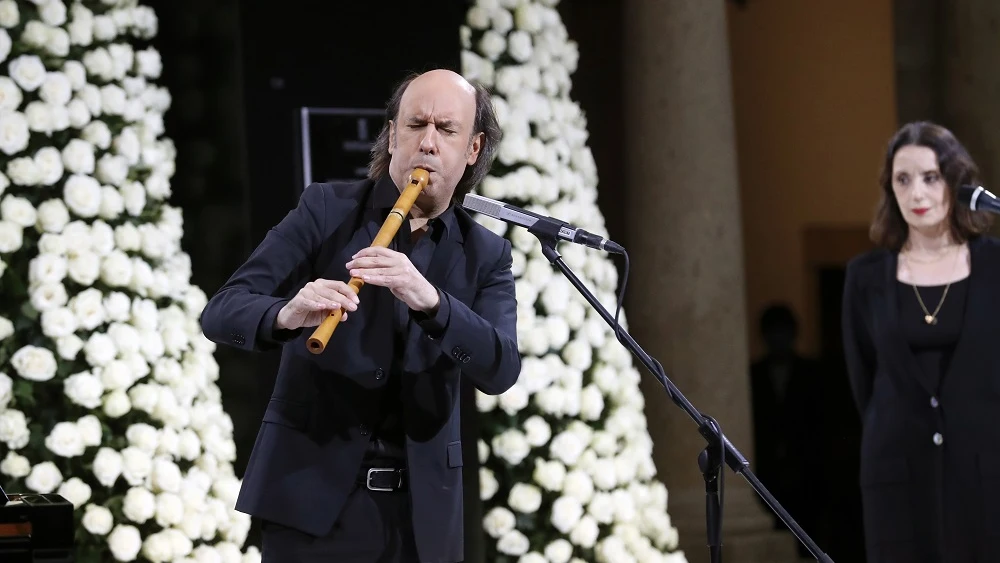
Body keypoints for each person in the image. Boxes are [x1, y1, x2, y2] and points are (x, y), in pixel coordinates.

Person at [200, 69, 521, 563]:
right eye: (415, 125)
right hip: (311, 505)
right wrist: (287, 313)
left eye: (446, 130)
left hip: (422, 521)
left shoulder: (487, 255)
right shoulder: (326, 210)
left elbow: (500, 369)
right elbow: (223, 311)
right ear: (393, 135)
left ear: (473, 149)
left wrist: (430, 299)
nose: (427, 143)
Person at [841, 121, 999, 562]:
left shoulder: (995, 267)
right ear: (890, 189)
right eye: (903, 180)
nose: (917, 195)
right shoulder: (865, 278)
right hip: (897, 476)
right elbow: (864, 382)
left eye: (931, 178)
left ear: (956, 181)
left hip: (985, 476)